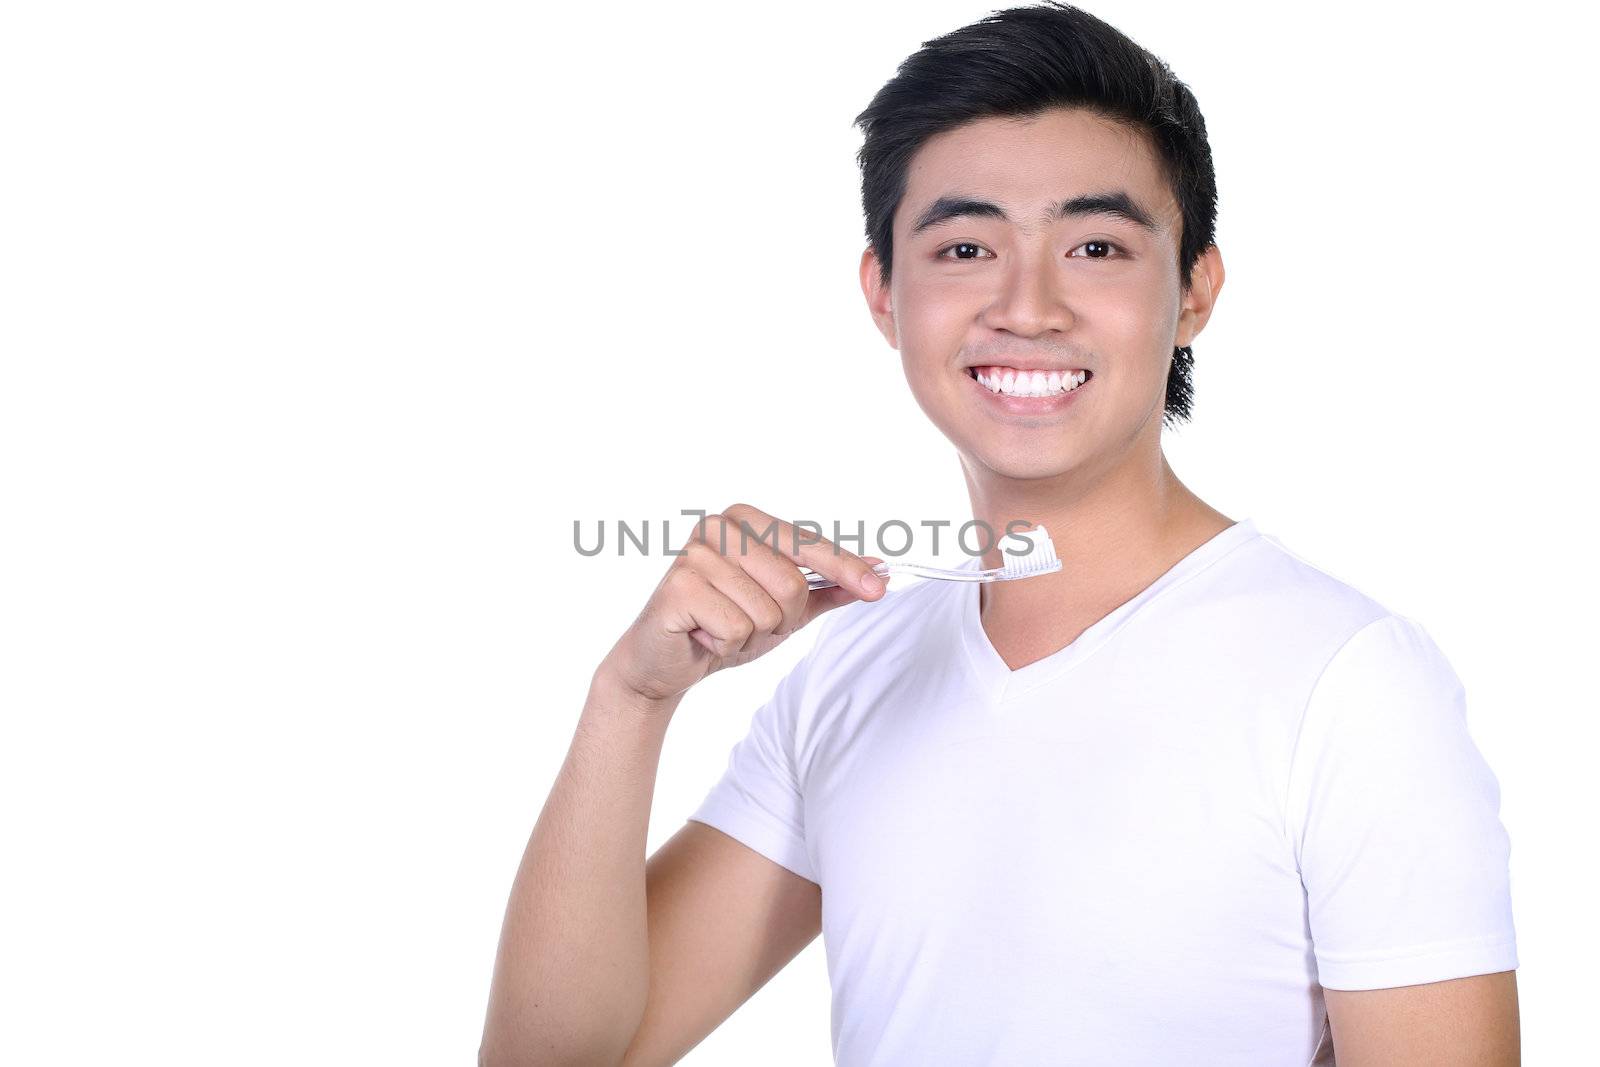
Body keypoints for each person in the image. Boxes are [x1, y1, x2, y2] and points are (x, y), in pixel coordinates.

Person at [478, 3, 1520, 1064]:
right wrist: (632, 697)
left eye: (1097, 245)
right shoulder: (851, 671)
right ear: (885, 293)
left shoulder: (1348, 682)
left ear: (1196, 288)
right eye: (967, 245)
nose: (1029, 304)